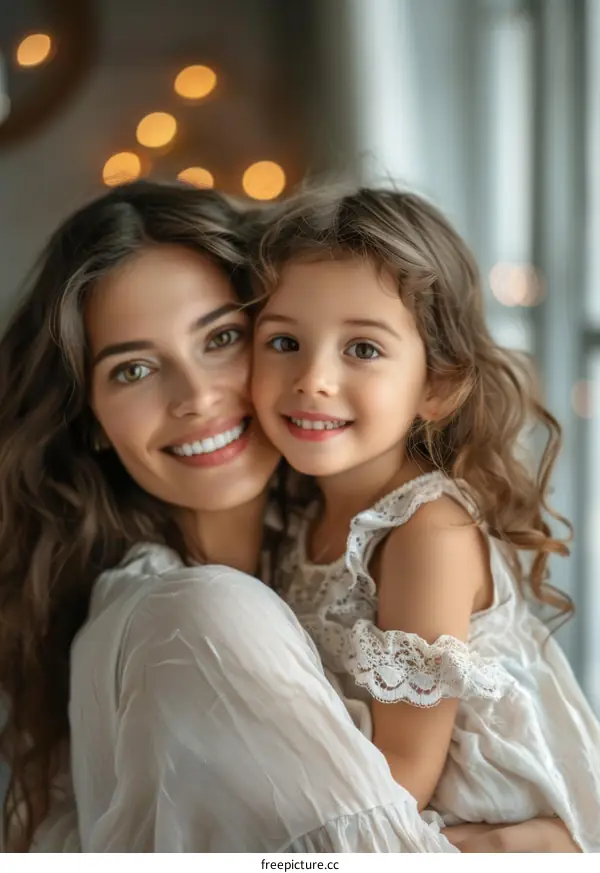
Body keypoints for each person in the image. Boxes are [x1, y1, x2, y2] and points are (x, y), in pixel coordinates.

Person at [0, 180, 578, 853]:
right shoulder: (191, 615)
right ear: (90, 419)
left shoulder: (361, 531)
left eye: (220, 337)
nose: (197, 397)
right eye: (132, 369)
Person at [251, 185, 600, 852]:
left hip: (466, 826)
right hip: (370, 803)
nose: (313, 378)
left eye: (363, 349)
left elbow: (405, 773)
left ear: (437, 386)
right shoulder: (298, 511)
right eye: (285, 340)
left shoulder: (424, 531)